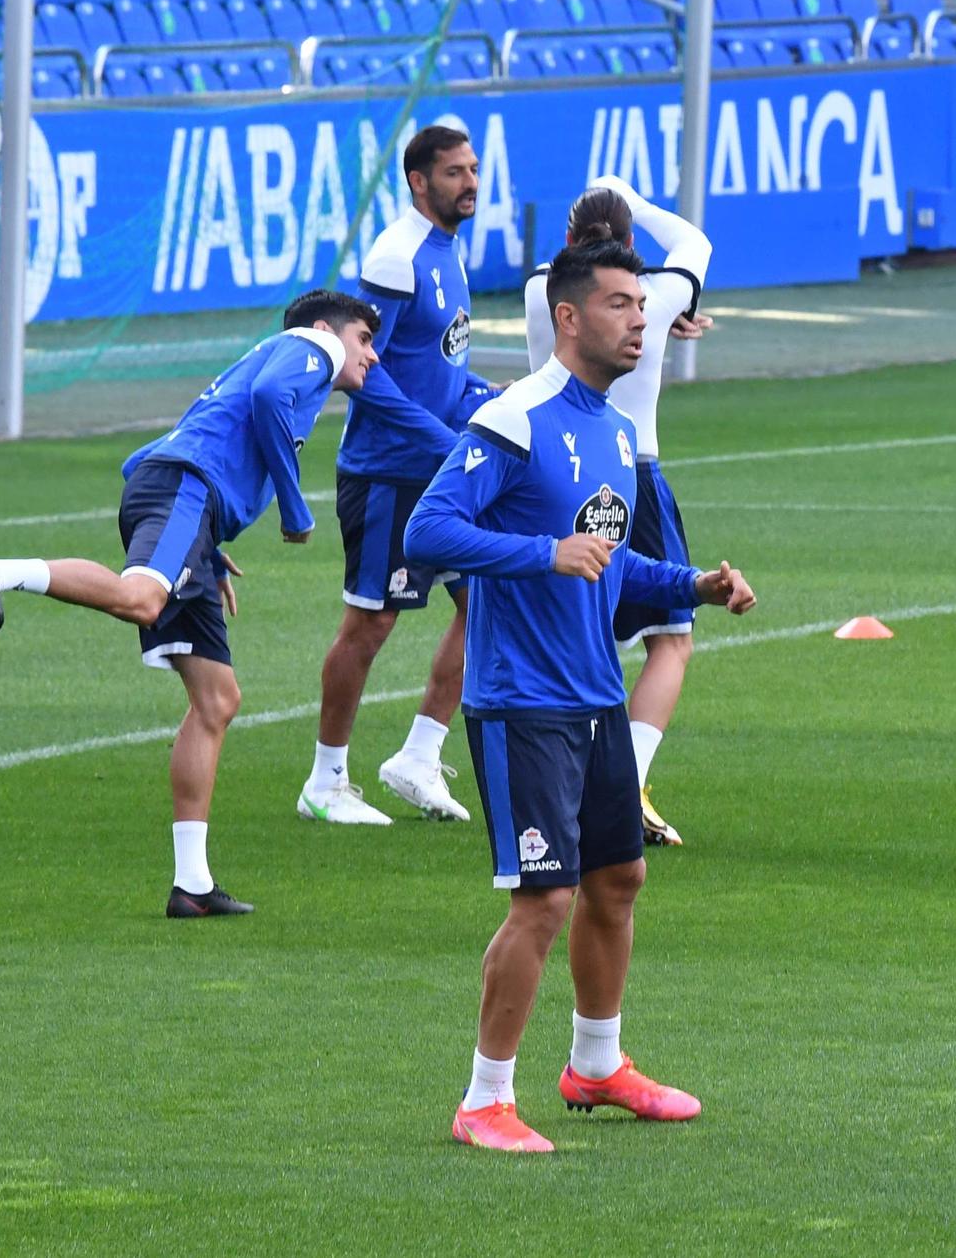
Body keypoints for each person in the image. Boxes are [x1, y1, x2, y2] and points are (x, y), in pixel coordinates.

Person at [406, 240, 756, 1154]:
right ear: (568, 318)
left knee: (619, 879)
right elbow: (429, 528)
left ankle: (595, 1067)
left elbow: (608, 557)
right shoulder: (516, 417)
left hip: (595, 696)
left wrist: (693, 585)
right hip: (523, 703)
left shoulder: (610, 431)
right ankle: (483, 1099)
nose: (641, 319)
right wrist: (538, 554)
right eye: (620, 305)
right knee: (544, 900)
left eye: (643, 305)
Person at [0, 291, 381, 917]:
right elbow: (262, 404)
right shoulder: (313, 347)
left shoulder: (282, 357)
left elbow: (226, 428)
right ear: (327, 329)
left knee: (218, 699)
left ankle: (192, 886)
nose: (370, 354)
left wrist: (207, 546)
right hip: (183, 490)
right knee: (142, 598)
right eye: (365, 337)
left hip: (188, 504)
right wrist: (294, 504)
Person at [303, 124, 498, 829]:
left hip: (441, 468)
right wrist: (441, 437)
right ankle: (326, 777)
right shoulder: (397, 256)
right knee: (372, 622)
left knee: (489, 604)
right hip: (389, 474)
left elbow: (437, 363)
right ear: (420, 181)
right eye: (455, 173)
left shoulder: (448, 249)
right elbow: (359, 372)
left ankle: (418, 756)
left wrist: (489, 401)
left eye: (474, 169)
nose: (470, 182)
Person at [523, 177, 711, 848]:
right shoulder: (654, 301)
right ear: (631, 247)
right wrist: (629, 195)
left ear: (569, 243)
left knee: (573, 636)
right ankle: (623, 788)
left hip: (548, 472)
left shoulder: (543, 291)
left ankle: (555, 783)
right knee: (671, 641)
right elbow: (693, 243)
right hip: (631, 471)